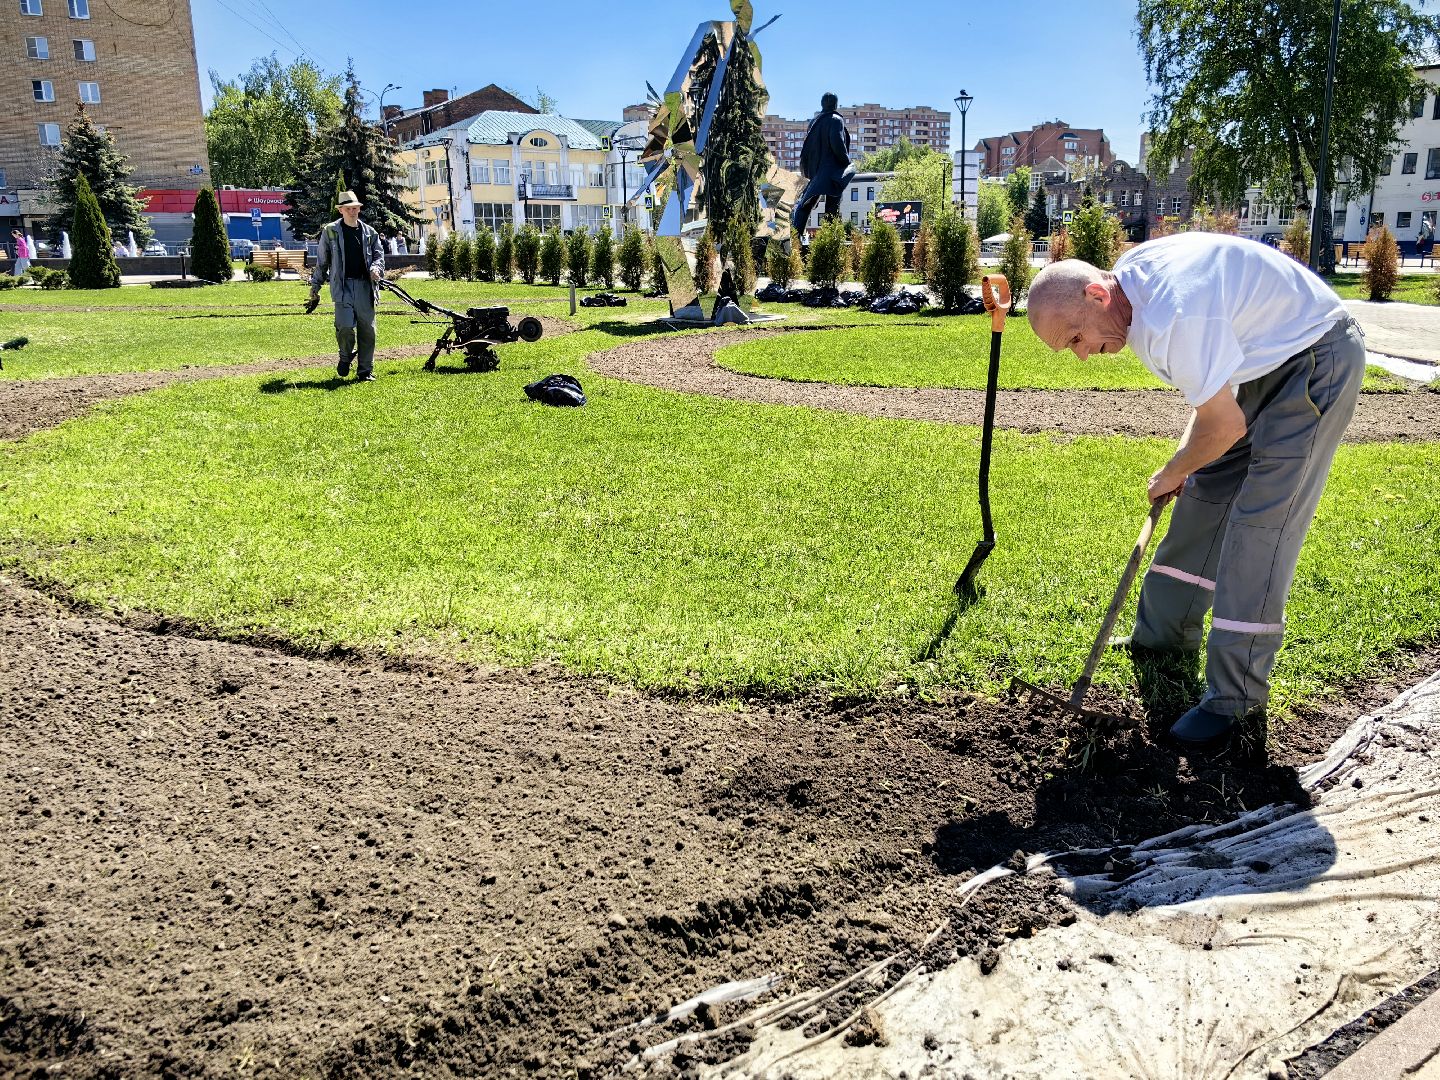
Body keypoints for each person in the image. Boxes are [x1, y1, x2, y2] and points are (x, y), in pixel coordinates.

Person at [1026, 232, 1364, 751]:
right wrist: (1186, 467)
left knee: (1260, 527)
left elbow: (1221, 427)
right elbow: (1212, 403)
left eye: (1075, 339)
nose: (1082, 356)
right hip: (1260, 360)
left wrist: (1170, 469)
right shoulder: (1134, 285)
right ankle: (1163, 635)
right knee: (1205, 492)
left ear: (1096, 295)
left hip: (1315, 358)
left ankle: (1235, 700)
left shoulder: (1172, 317)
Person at [306, 190, 385, 382]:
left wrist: (376, 269)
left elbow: (378, 255)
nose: (353, 212)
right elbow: (322, 262)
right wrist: (315, 286)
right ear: (341, 210)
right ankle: (345, 356)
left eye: (355, 208)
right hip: (342, 288)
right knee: (345, 327)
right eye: (348, 209)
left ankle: (365, 371)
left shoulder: (369, 232)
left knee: (368, 331)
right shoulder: (330, 231)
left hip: (366, 287)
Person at [791, 92, 854, 243]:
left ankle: (794, 239)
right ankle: (830, 241)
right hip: (833, 172)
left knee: (806, 205)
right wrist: (847, 163)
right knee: (832, 206)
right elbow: (837, 142)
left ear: (822, 104)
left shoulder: (815, 122)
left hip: (816, 172)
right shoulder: (836, 119)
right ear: (835, 104)